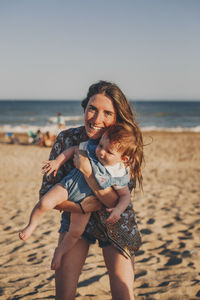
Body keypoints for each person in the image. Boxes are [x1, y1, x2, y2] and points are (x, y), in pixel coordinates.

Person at [38, 81, 144, 300]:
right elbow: (47, 194)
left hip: (115, 222)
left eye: (107, 113)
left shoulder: (125, 147)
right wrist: (80, 206)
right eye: (92, 110)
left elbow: (115, 202)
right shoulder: (67, 139)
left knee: (124, 293)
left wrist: (87, 173)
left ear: (117, 117)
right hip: (75, 224)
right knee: (64, 295)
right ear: (84, 109)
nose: (96, 119)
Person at [19, 124, 135, 271]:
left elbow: (125, 196)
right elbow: (73, 150)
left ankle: (60, 251)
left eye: (109, 151)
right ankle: (31, 226)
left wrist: (118, 210)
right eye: (101, 145)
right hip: (69, 186)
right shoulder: (92, 148)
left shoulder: (118, 171)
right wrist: (57, 161)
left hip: (87, 202)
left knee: (75, 233)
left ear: (123, 159)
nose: (101, 152)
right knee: (44, 203)